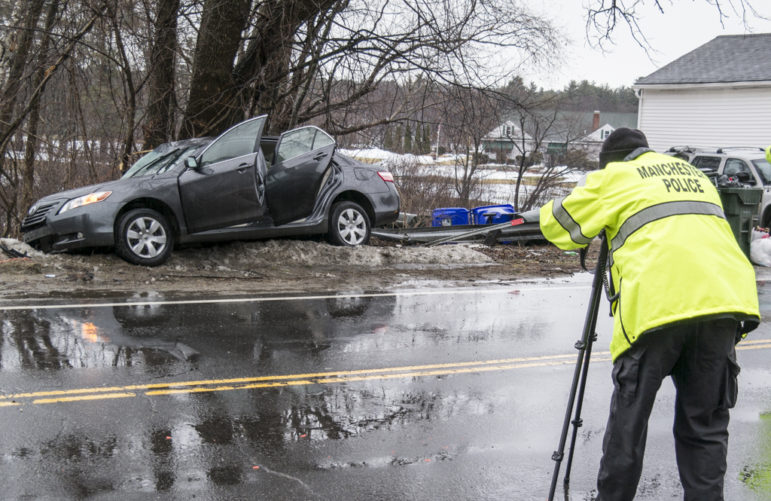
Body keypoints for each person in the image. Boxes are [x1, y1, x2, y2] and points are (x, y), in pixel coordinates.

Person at [538, 128, 760, 501]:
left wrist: (587, 193)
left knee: (629, 423)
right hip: (723, 303)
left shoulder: (614, 177)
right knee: (704, 427)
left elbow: (558, 228)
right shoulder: (692, 173)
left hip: (657, 309)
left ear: (610, 161)